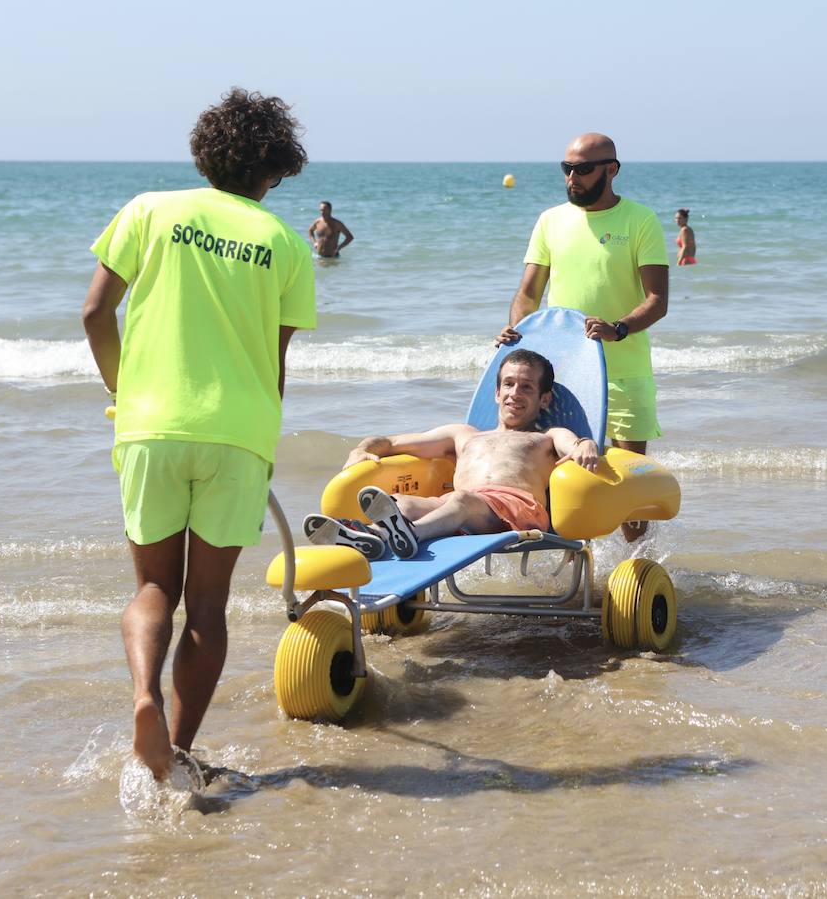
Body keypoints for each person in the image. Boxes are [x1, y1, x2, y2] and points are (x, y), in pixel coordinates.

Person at [81, 88, 314, 781]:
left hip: (151, 426)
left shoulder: (149, 210)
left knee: (155, 588)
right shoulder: (285, 244)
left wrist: (125, 390)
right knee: (208, 607)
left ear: (206, 152)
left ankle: (143, 696)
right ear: (272, 170)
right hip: (239, 434)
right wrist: (259, 445)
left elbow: (95, 313)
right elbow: (274, 366)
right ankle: (174, 756)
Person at [497, 133, 668, 542]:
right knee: (558, 482)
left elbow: (658, 300)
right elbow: (527, 294)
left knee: (626, 490)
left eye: (583, 169)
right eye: (567, 169)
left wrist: (619, 328)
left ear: (611, 170)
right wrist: (519, 339)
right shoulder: (550, 220)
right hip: (563, 376)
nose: (572, 177)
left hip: (625, 373)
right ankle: (574, 569)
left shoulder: (640, 220)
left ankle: (633, 576)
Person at [304, 349, 598, 559]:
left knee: (461, 500)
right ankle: (371, 537)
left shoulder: (545, 437)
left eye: (526, 387)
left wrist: (586, 444)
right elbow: (392, 442)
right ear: (496, 393)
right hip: (457, 510)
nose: (514, 394)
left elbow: (574, 445)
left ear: (544, 399)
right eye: (508, 384)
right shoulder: (463, 435)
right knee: (401, 503)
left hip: (516, 512)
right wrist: (363, 448)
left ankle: (410, 535)